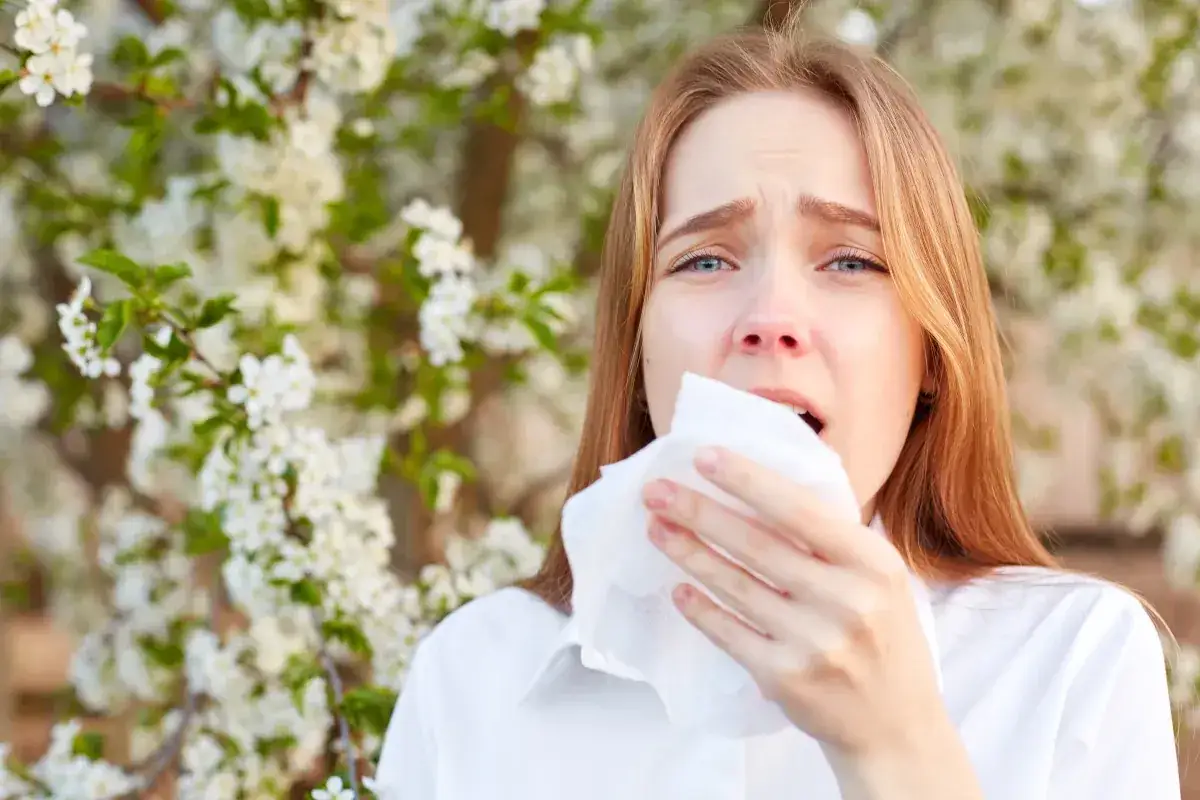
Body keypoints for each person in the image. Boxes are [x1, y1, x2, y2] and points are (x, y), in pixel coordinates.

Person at [372, 13, 1182, 800]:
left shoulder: (1074, 662)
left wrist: (895, 745)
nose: (769, 319)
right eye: (706, 259)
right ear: (635, 345)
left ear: (931, 350)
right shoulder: (475, 676)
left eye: (851, 260)